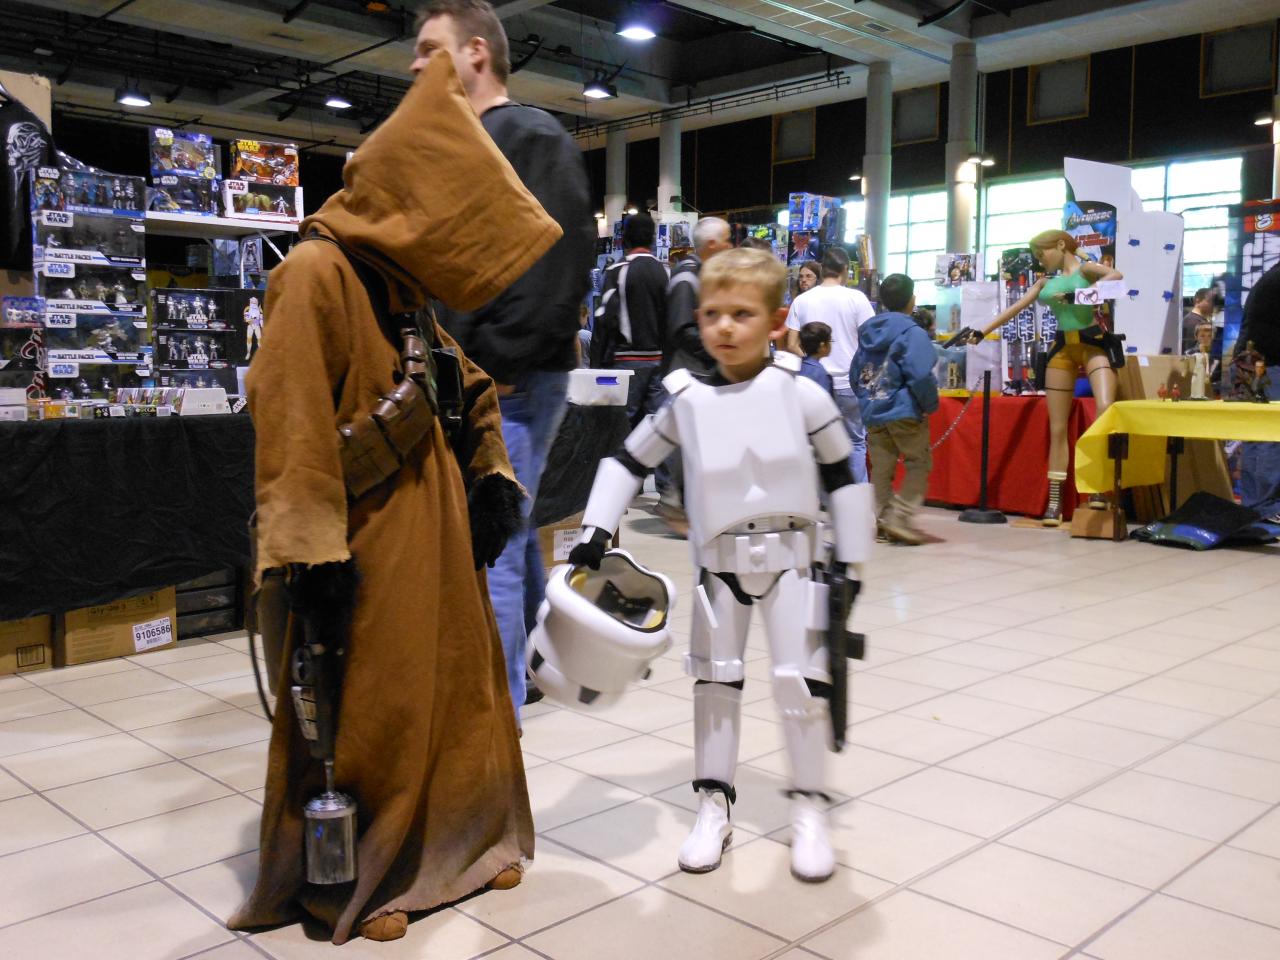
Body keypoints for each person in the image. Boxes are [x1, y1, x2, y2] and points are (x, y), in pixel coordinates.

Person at [228, 50, 558, 945]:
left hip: (438, 524)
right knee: (372, 712)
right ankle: (367, 880)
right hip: (364, 534)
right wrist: (312, 553)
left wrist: (490, 473)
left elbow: (467, 381)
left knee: (459, 692)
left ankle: (468, 843)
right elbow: (288, 421)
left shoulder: (398, 283)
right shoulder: (313, 274)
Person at [568, 247, 874, 883]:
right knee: (714, 685)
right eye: (712, 314)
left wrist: (851, 562)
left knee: (800, 685)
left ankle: (809, 809)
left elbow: (846, 475)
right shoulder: (684, 399)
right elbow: (628, 461)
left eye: (742, 313)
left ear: (775, 318)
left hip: (796, 561)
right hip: (719, 564)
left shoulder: (802, 391)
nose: (725, 328)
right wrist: (594, 530)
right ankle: (713, 805)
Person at [416, 0, 595, 715]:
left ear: (477, 54)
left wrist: (500, 362)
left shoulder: (527, 135)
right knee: (509, 538)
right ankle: (525, 678)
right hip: (483, 378)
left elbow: (562, 262)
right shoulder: (471, 140)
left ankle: (491, 736)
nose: (415, 65)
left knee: (486, 549)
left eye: (431, 49)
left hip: (510, 383)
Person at [957, 230, 1124, 525]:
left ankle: (1098, 486)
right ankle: (1056, 500)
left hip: (1094, 345)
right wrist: (982, 331)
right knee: (1057, 427)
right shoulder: (1045, 283)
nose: (1039, 260)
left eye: (1041, 253)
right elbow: (1015, 308)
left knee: (1105, 410)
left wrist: (1080, 294)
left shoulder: (1085, 270)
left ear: (1060, 245)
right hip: (1061, 349)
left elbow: (1116, 276)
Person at [851, 274, 939, 545]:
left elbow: (855, 374)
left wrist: (867, 399)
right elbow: (921, 373)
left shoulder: (867, 333)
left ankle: (882, 520)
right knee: (918, 463)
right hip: (903, 410)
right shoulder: (912, 333)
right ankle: (899, 517)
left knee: (881, 468)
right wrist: (929, 404)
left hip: (873, 411)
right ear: (912, 299)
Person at [658, 216, 732, 525]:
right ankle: (676, 500)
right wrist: (716, 352)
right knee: (683, 440)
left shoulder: (702, 276)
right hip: (689, 374)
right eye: (727, 240)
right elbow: (681, 329)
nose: (730, 246)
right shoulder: (687, 278)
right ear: (713, 245)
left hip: (699, 372)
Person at [784, 247, 874, 483]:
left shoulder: (801, 301)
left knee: (814, 444)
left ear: (822, 270)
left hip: (812, 383)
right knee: (855, 442)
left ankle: (817, 503)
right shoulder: (857, 299)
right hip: (850, 384)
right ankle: (855, 501)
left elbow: (791, 343)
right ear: (845, 270)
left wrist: (813, 360)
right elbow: (871, 341)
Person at [590, 211, 670, 426]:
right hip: (659, 360)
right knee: (654, 428)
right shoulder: (663, 271)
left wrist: (596, 367)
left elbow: (603, 320)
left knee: (618, 427)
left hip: (626, 361)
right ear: (652, 238)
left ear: (626, 237)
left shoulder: (618, 270)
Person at [1237, 260, 1280, 520]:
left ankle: (1255, 506)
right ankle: (1267, 509)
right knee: (1270, 437)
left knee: (1256, 435)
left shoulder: (1270, 277)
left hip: (1253, 364)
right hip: (1270, 365)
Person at [797, 321, 833, 394]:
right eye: (830, 341)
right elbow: (823, 402)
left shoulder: (798, 366)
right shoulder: (821, 374)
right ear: (822, 346)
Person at [1181, 286, 1216, 354]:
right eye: (1209, 301)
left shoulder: (1196, 320)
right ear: (1198, 300)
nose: (1212, 304)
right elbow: (1190, 351)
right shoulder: (1193, 321)